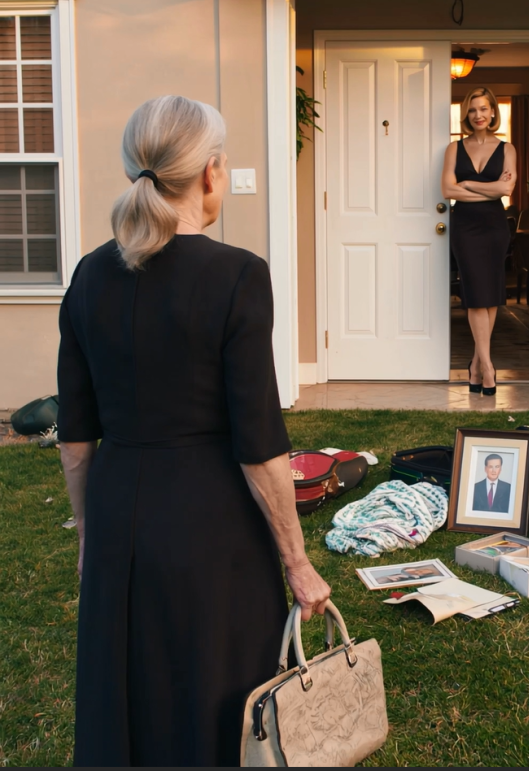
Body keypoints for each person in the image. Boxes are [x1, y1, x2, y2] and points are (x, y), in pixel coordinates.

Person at [57, 95, 331, 767]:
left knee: (124, 688)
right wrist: (296, 562)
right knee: (216, 690)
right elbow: (259, 442)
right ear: (210, 173)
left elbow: (76, 436)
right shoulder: (238, 274)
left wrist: (89, 529)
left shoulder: (89, 275)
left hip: (119, 508)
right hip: (212, 525)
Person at [441, 86, 517, 396]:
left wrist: (469, 184)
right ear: (466, 115)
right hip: (466, 228)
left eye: (484, 109)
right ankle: (487, 365)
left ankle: (475, 366)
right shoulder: (454, 149)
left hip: (495, 228)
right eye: (472, 110)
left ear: (493, 112)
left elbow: (506, 190)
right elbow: (448, 190)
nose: (478, 115)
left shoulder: (507, 149)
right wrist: (490, 188)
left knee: (490, 295)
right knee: (474, 295)